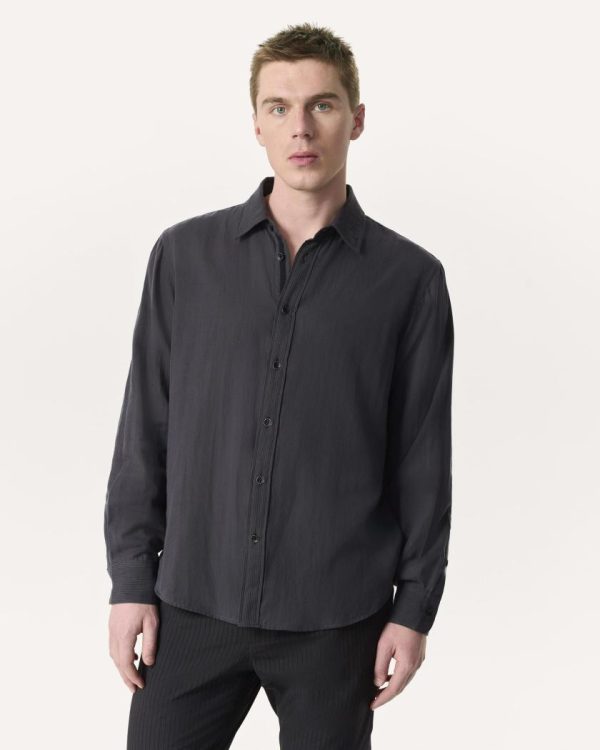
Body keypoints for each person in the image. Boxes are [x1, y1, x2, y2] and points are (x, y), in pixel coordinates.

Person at [104, 21, 454, 750]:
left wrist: (414, 607)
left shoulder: (409, 280)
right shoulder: (185, 257)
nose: (301, 127)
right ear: (256, 124)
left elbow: (422, 457)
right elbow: (145, 429)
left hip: (337, 616)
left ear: (356, 119)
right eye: (279, 107)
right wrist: (131, 580)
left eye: (322, 104)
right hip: (193, 603)